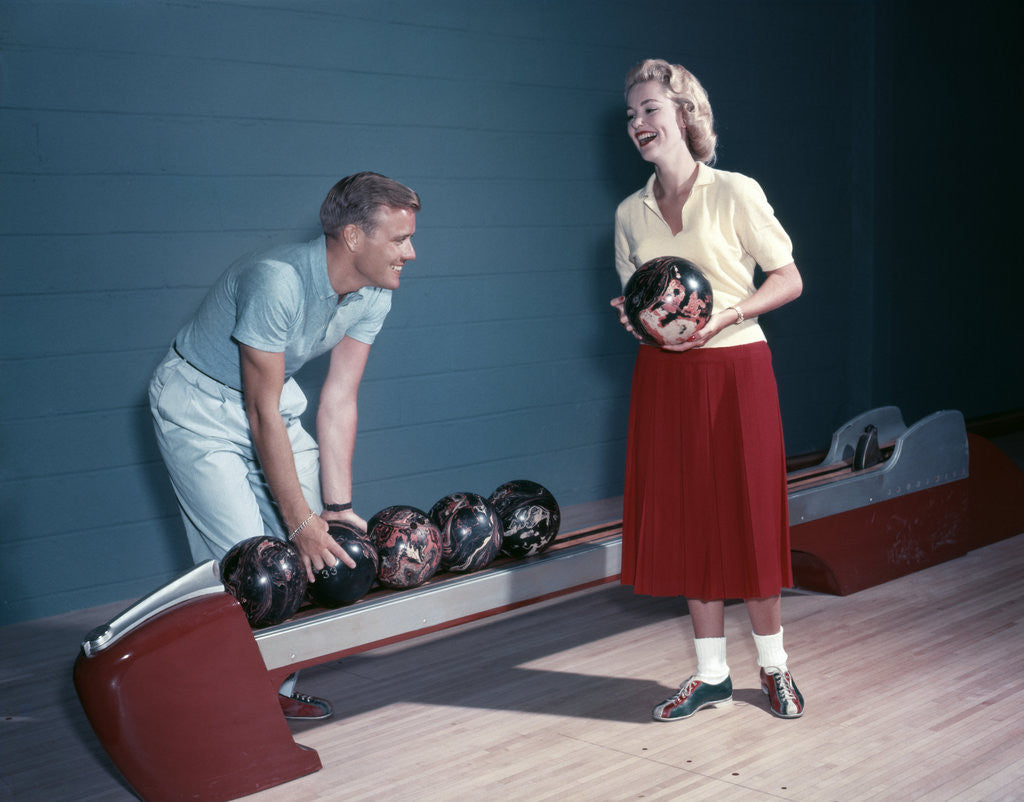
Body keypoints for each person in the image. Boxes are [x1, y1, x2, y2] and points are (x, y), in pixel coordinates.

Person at [149, 172, 420, 719]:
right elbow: (258, 410)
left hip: (274, 405)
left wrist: (335, 510)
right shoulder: (277, 281)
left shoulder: (372, 294)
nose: (410, 253)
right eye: (398, 240)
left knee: (316, 555)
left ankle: (274, 694)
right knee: (251, 561)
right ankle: (222, 705)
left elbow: (340, 397)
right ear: (352, 236)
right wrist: (300, 522)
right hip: (200, 408)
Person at [610, 60, 805, 721]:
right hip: (666, 378)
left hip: (736, 368)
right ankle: (712, 675)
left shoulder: (735, 191)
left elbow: (788, 279)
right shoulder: (628, 214)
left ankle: (774, 667)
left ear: (686, 115)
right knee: (690, 518)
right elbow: (642, 308)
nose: (637, 123)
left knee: (748, 516)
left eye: (649, 109)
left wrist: (729, 314)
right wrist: (635, 317)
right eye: (630, 113)